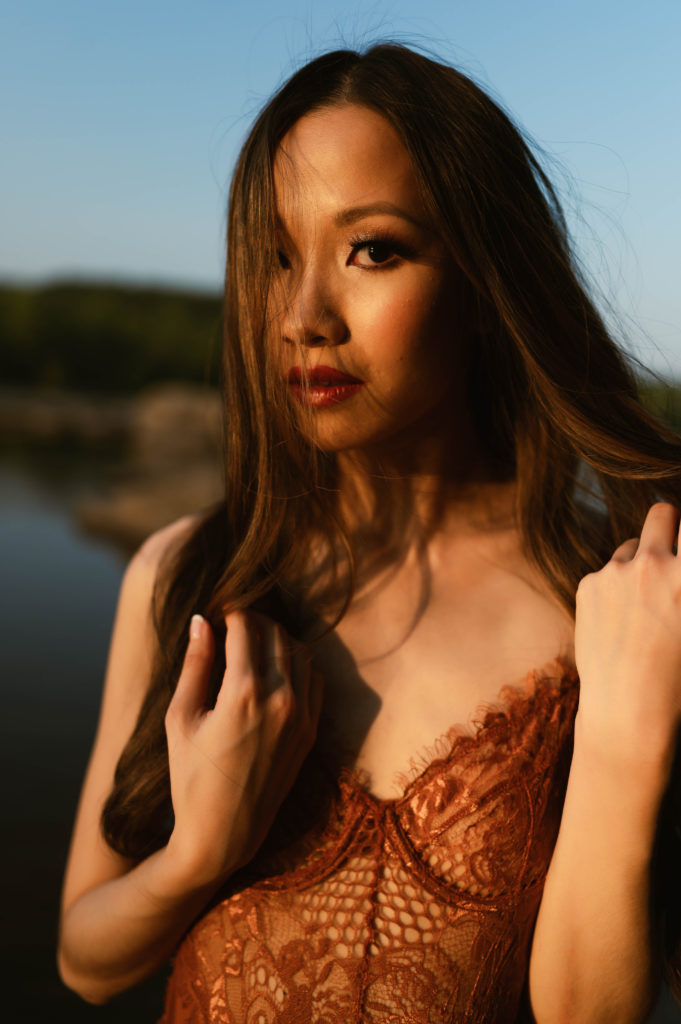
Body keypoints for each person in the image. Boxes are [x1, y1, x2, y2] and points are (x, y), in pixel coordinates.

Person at [58, 43, 681, 1023]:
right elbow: (84, 960)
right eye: (275, 258)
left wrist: (621, 741)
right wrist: (197, 856)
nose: (304, 316)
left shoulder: (611, 605)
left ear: (483, 281)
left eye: (372, 250)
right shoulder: (190, 577)